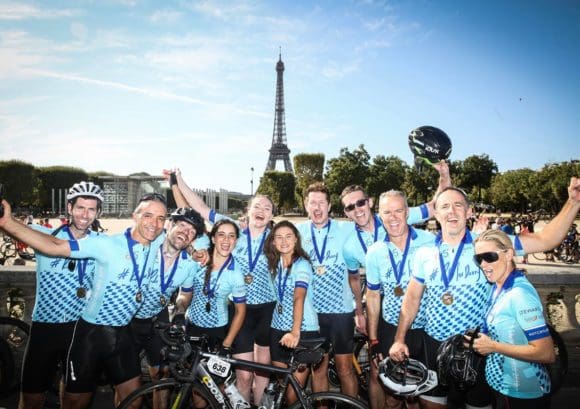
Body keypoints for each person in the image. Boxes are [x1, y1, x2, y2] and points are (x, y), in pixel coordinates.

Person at [389, 177, 580, 409]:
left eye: (458, 205)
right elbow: (411, 298)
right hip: (434, 345)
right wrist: (399, 339)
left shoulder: (488, 245)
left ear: (469, 212)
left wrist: (573, 202)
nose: (452, 211)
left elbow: (545, 239)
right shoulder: (424, 253)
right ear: (436, 214)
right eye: (445, 206)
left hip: (477, 346)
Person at [0, 192, 168, 409]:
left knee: (133, 400)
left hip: (122, 333)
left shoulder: (156, 240)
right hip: (90, 334)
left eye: (161, 218)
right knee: (74, 403)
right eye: (148, 215)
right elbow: (55, 246)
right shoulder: (106, 244)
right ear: (134, 216)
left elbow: (189, 225)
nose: (154, 224)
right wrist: (8, 223)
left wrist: (176, 181)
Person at [170, 169, 276, 404]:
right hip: (242, 310)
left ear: (271, 216)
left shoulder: (278, 237)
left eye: (266, 208)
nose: (260, 211)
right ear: (248, 211)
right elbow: (197, 209)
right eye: (256, 206)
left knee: (263, 372)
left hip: (268, 309)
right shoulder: (232, 230)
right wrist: (179, 181)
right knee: (244, 374)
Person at [18, 181, 104, 409]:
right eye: (80, 208)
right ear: (69, 208)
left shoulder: (101, 244)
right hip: (44, 327)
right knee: (31, 398)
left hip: (80, 329)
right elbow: (10, 227)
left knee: (74, 399)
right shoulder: (44, 235)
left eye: (91, 209)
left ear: (98, 212)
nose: (85, 215)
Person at [365, 190, 438, 409]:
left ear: (407, 212)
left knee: (425, 398)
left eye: (398, 210)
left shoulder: (430, 241)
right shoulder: (375, 251)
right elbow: (373, 296)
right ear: (380, 215)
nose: (393, 217)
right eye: (387, 212)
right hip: (391, 328)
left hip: (426, 329)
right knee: (393, 397)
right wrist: (373, 339)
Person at [129, 207, 206, 407]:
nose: (185, 232)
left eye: (191, 231)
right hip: (127, 319)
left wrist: (179, 315)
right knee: (129, 387)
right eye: (181, 225)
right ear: (169, 224)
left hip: (157, 317)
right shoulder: (147, 244)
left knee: (161, 378)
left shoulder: (189, 264)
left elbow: (184, 294)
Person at [471, 229, 554, 409]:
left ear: (508, 254)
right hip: (502, 384)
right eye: (478, 259)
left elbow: (546, 353)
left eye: (489, 256)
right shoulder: (497, 287)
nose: (483, 264)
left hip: (525, 391)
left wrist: (493, 346)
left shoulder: (519, 294)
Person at [263, 220, 319, 405]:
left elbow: (298, 297)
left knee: (293, 391)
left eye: (288, 236)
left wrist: (295, 331)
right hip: (277, 328)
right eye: (279, 237)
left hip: (301, 330)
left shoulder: (301, 265)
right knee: (282, 384)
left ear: (296, 240)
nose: (284, 241)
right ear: (273, 241)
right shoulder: (275, 263)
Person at [174, 219, 247, 354]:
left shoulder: (236, 273)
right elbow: (184, 292)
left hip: (218, 331)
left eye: (231, 236)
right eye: (221, 235)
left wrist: (227, 344)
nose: (226, 240)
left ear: (236, 241)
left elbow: (240, 311)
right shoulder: (198, 261)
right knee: (188, 371)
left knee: (207, 374)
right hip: (191, 324)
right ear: (213, 239)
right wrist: (178, 315)